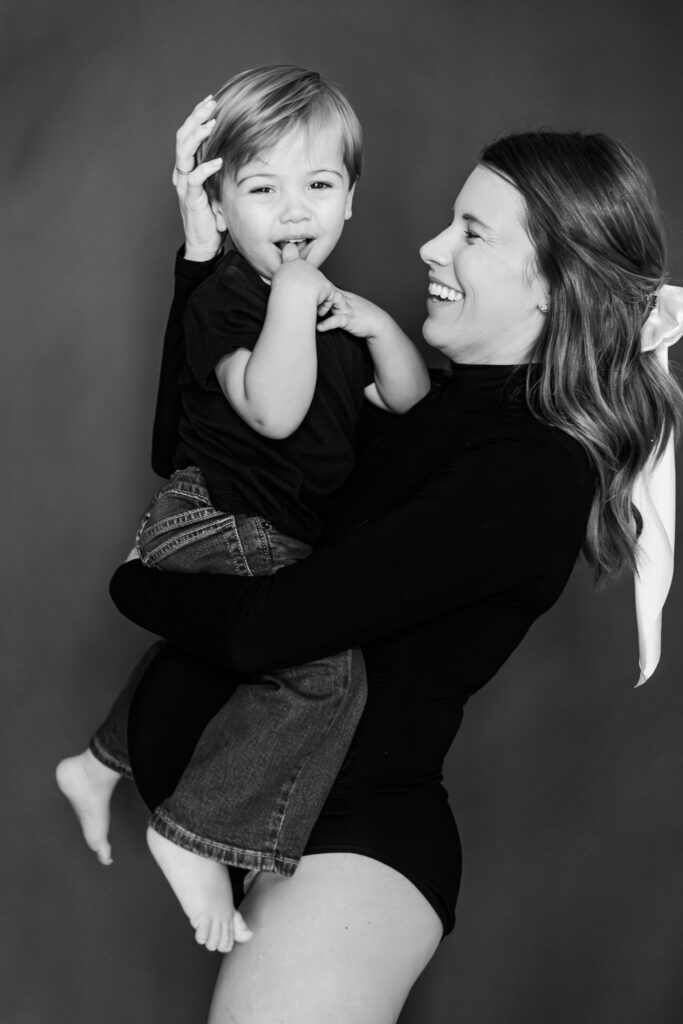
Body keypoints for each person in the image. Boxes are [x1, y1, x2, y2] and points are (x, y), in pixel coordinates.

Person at [111, 119, 683, 1024]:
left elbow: (271, 625)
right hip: (287, 819)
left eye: (470, 232)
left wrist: (133, 585)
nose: (428, 245)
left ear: (552, 287)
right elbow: (192, 449)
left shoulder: (526, 471)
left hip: (353, 848)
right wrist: (199, 251)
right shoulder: (432, 403)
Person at [55, 65, 430, 955]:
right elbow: (273, 410)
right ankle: (189, 833)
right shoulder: (229, 300)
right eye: (262, 190)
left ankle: (97, 761)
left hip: (266, 532)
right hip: (209, 520)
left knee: (223, 656)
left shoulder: (332, 310)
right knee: (322, 669)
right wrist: (295, 304)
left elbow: (407, 404)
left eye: (318, 185)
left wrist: (377, 328)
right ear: (219, 209)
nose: (293, 211)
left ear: (348, 200)